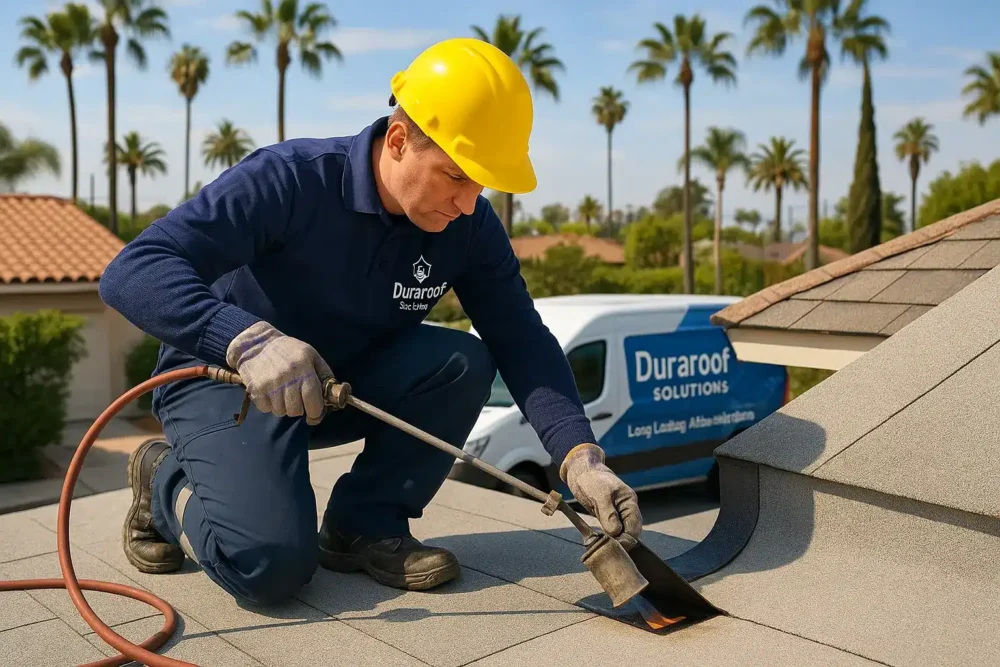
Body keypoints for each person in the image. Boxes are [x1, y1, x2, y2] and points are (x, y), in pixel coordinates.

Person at [101, 37, 642, 605]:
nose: (468, 202)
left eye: (480, 183)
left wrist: (580, 458)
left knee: (464, 361)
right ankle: (164, 478)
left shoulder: (468, 227)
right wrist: (245, 340)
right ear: (400, 139)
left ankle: (364, 525)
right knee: (267, 567)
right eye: (456, 176)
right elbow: (132, 270)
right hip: (225, 380)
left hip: (336, 384)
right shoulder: (291, 180)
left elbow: (522, 339)